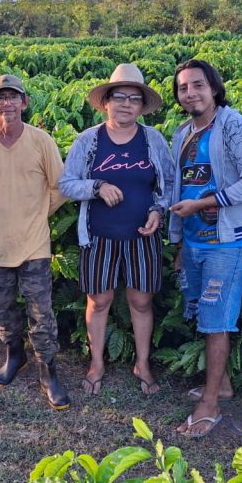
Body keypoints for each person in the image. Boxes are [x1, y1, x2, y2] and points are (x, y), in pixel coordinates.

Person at [59, 63, 172, 397]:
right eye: (119, 97)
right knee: (99, 299)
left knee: (141, 300)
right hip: (99, 234)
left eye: (134, 99)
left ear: (142, 106)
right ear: (106, 102)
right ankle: (96, 363)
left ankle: (142, 363)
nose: (126, 104)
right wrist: (97, 187)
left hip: (142, 235)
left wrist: (158, 210)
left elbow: (169, 184)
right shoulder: (88, 141)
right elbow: (67, 183)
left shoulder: (153, 140)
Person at [168, 59, 242, 438]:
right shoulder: (183, 134)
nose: (190, 93)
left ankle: (209, 405)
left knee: (216, 319)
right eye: (183, 88)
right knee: (202, 312)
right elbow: (180, 188)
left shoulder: (236, 126)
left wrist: (204, 204)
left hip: (227, 241)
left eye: (198, 85)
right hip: (194, 240)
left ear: (214, 89)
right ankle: (221, 385)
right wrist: (180, 242)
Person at [0, 74, 70, 410]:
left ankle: (48, 370)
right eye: (0, 97)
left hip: (33, 243)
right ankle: (14, 355)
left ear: (24, 103)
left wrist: (38, 213)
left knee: (41, 311)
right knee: (3, 308)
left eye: (13, 97)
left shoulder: (41, 141)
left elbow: (60, 186)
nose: (7, 103)